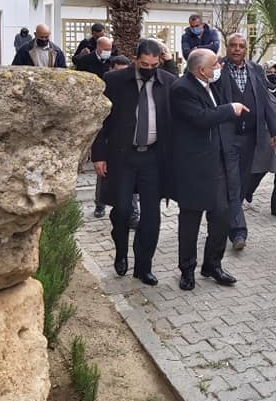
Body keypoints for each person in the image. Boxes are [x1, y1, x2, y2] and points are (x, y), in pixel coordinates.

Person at [91, 40, 177, 286]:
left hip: (153, 157)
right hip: (122, 156)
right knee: (122, 210)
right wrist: (99, 155)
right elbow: (101, 121)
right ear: (136, 59)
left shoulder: (168, 82)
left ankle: (143, 266)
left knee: (151, 216)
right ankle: (121, 253)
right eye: (144, 64)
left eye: (154, 65)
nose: (149, 69)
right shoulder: (114, 80)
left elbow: (179, 108)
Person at [171, 48, 248, 291]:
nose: (220, 67)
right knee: (190, 221)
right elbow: (201, 118)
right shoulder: (182, 88)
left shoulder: (211, 85)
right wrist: (230, 109)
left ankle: (213, 264)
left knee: (221, 216)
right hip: (193, 167)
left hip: (217, 163)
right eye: (215, 64)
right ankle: (187, 269)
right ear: (202, 70)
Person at [216, 33, 276, 249]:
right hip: (228, 135)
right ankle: (238, 232)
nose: (237, 49)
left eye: (241, 46)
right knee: (233, 182)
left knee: (243, 182)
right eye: (233, 45)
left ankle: (228, 217)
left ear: (246, 49)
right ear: (227, 47)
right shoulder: (218, 69)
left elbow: (265, 102)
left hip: (250, 137)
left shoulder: (255, 69)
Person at [246, 60, 276, 219]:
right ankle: (247, 190)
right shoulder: (259, 90)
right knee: (260, 168)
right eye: (269, 72)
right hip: (265, 135)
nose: (273, 75)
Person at [90, 54, 133, 220]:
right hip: (108, 139)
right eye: (118, 71)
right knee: (103, 174)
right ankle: (100, 204)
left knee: (130, 179)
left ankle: (133, 212)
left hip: (126, 142)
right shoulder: (104, 88)